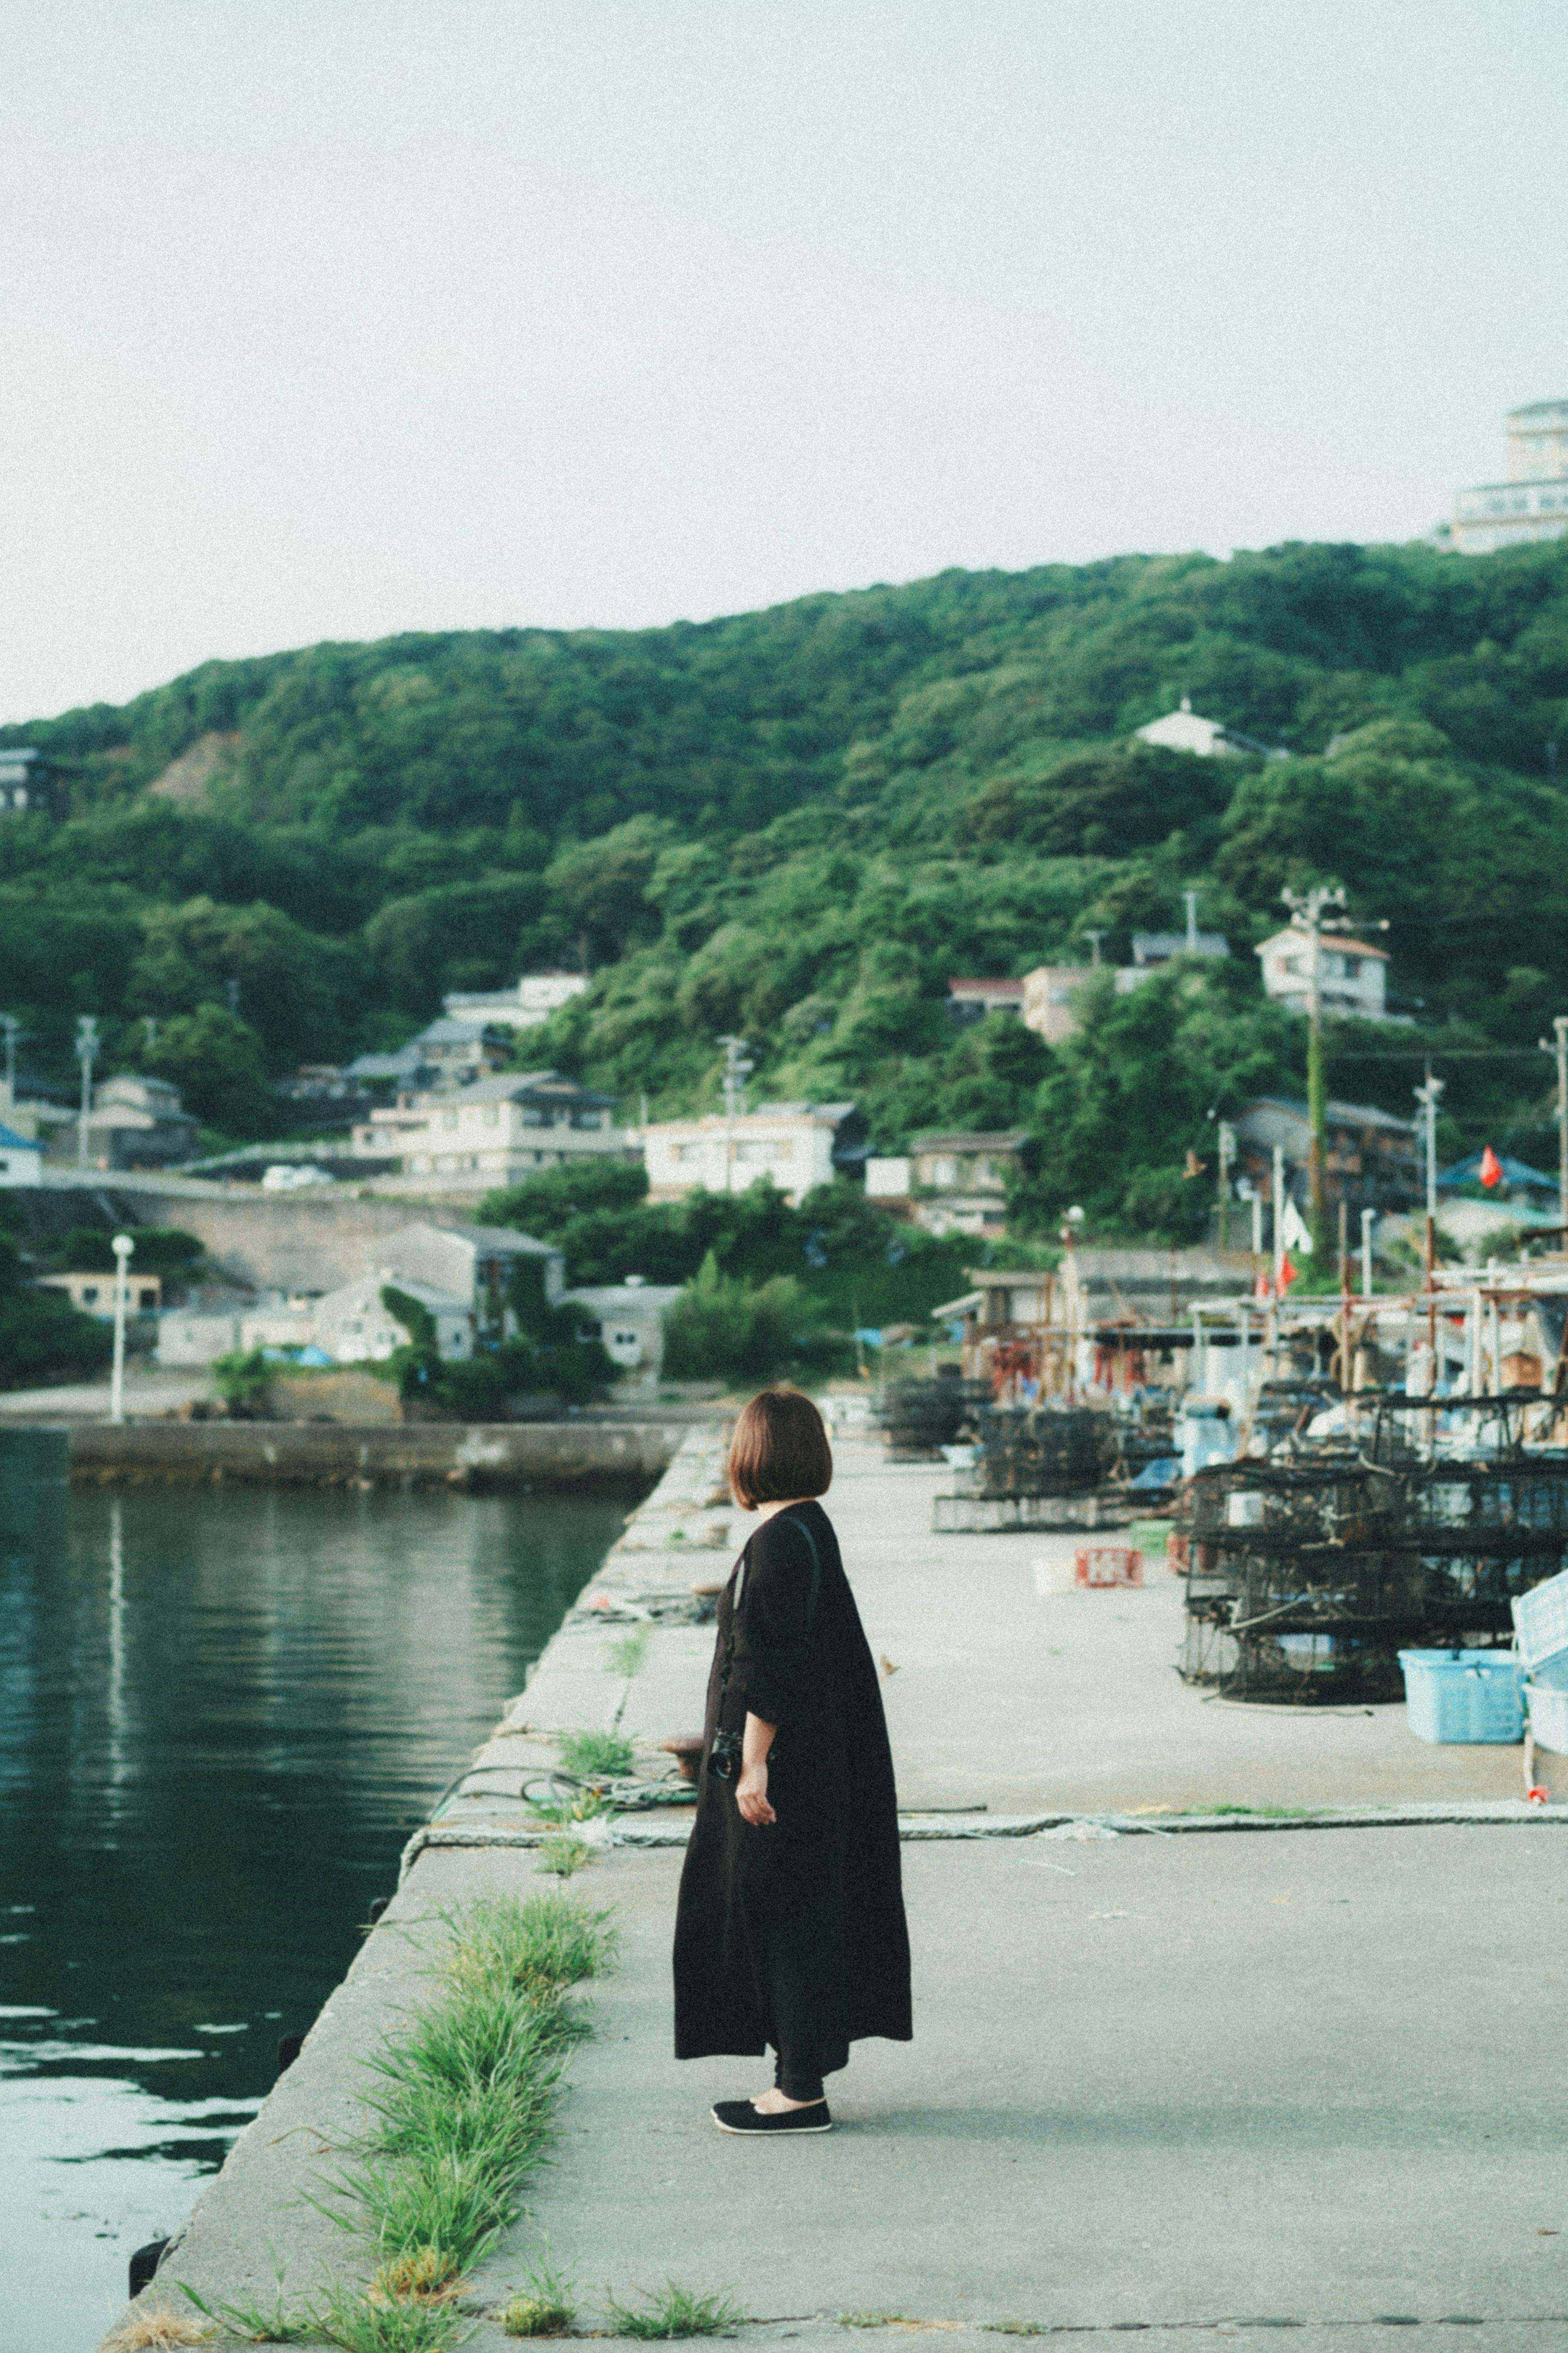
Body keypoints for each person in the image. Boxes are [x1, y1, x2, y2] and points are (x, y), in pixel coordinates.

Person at [673, 1385, 912, 2135]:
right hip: (816, 1765)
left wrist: (752, 1765)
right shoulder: (808, 1528)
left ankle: (799, 2089)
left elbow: (768, 1666)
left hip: (785, 1774)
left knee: (779, 1911)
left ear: (750, 1457)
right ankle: (796, 2075)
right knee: (798, 1909)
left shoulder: (779, 1542)